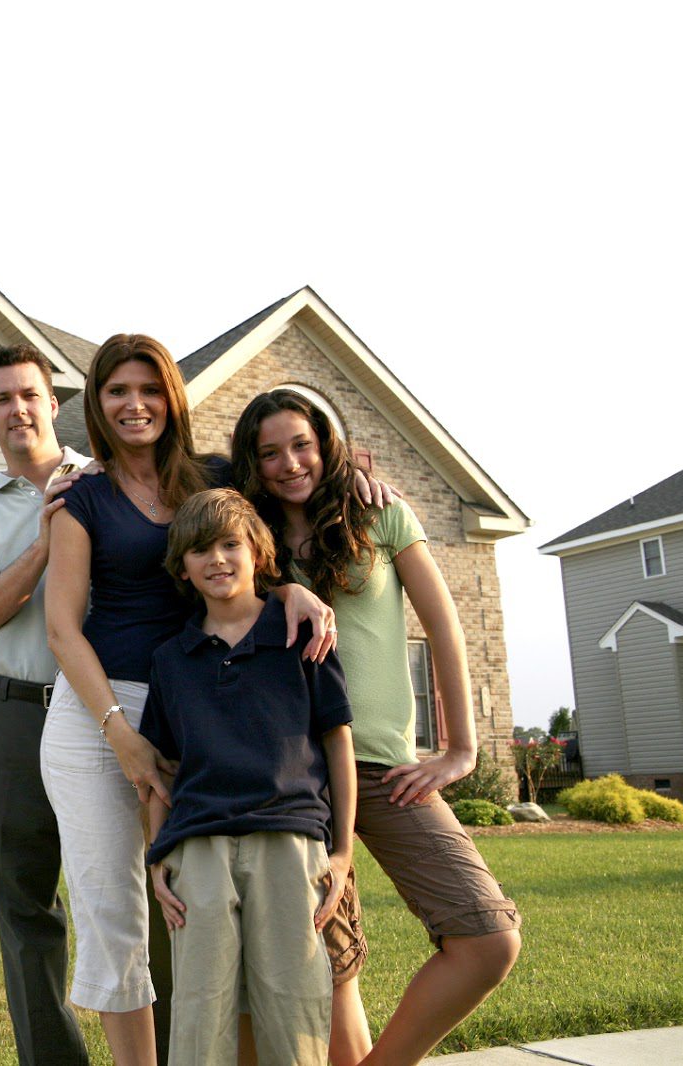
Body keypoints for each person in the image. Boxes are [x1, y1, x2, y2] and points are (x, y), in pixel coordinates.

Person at [42, 334, 366, 1066]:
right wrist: (120, 732)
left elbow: (258, 538)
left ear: (172, 399)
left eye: (149, 389)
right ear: (96, 404)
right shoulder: (82, 497)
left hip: (205, 702)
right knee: (116, 915)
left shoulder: (216, 474)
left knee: (213, 908)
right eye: (117, 391)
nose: (135, 405)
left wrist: (294, 587)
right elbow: (62, 629)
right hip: (102, 710)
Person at [230, 389, 522, 1066]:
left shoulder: (381, 511)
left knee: (486, 937)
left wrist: (460, 748)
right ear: (252, 461)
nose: (289, 463)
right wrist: (280, 588)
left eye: (302, 444)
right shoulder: (249, 535)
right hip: (293, 774)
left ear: (327, 443)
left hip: (386, 768)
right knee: (333, 965)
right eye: (269, 452)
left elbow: (443, 625)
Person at [141, 488, 357, 1066]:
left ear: (258, 551)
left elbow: (338, 743)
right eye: (200, 549)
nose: (217, 559)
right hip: (199, 847)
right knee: (200, 1012)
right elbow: (162, 768)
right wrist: (156, 856)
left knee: (295, 1007)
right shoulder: (170, 660)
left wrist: (341, 853)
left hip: (290, 841)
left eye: (230, 544)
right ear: (181, 568)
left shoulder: (303, 636)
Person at [0, 343, 94, 1066]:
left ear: (53, 402)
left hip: (104, 714)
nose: (18, 409)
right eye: (2, 399)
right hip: (11, 716)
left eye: (28, 394)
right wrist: (40, 546)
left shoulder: (106, 484)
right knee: (26, 909)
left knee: (131, 894)